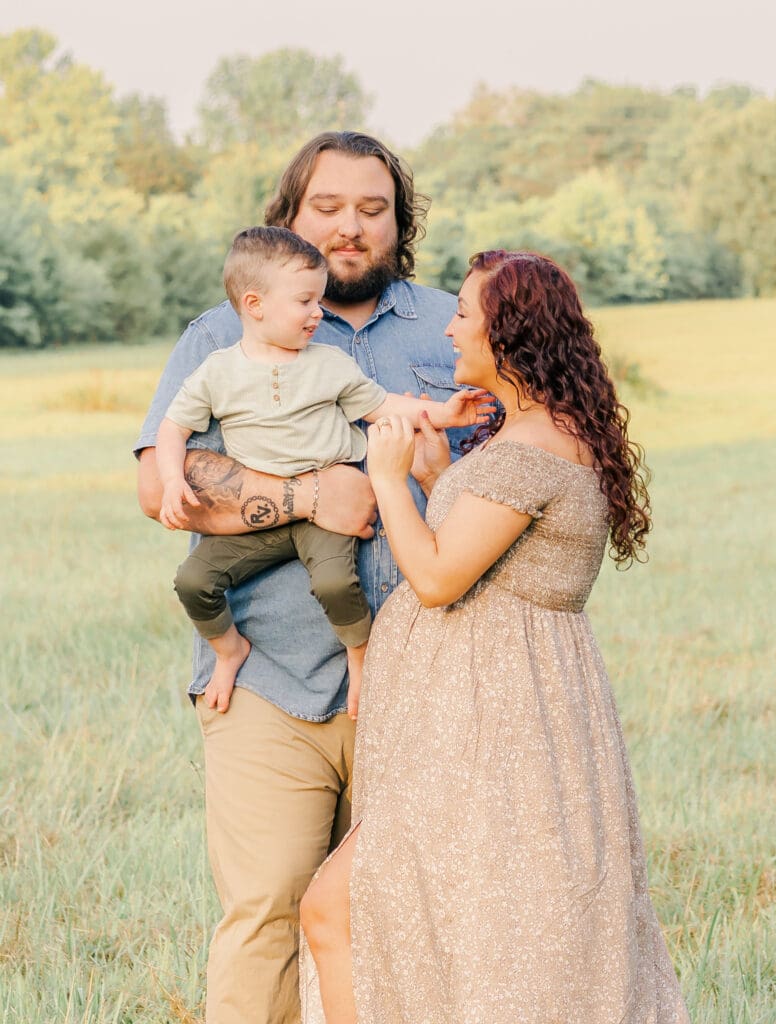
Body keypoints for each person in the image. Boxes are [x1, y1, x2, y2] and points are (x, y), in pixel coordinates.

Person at [300, 250, 690, 1024]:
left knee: (349, 912)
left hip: (489, 733)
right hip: (483, 724)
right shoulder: (535, 436)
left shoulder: (531, 449)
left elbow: (441, 578)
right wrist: (440, 477)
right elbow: (496, 560)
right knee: (459, 927)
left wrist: (386, 475)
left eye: (465, 316)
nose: (449, 327)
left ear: (508, 335)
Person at [135, 131, 470, 1024]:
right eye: (327, 207)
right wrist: (307, 492)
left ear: (400, 222)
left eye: (373, 209)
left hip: (426, 678)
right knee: (266, 914)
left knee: (419, 916)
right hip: (270, 682)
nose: (350, 228)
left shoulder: (453, 324)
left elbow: (510, 485)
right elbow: (157, 488)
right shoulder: (220, 334)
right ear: (287, 213)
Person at [157, 225, 491, 715]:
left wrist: (443, 414)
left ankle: (359, 654)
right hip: (262, 519)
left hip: (329, 517)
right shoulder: (217, 371)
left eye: (319, 300)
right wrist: (171, 481)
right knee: (193, 581)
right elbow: (172, 429)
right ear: (255, 306)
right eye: (306, 302)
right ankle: (229, 651)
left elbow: (382, 406)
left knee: (335, 585)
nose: (319, 312)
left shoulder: (328, 364)